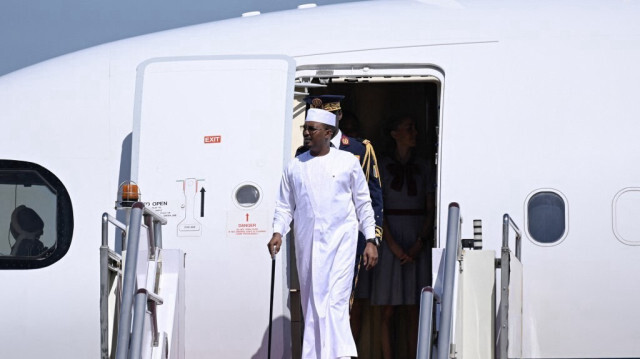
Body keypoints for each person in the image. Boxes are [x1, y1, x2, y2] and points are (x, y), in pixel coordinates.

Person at [268, 108, 378, 359]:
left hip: (342, 243)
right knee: (313, 302)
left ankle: (340, 355)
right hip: (308, 245)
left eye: (312, 129)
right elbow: (285, 206)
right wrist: (277, 232)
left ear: (329, 133)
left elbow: (363, 203)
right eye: (305, 128)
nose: (306, 133)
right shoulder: (295, 166)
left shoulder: (348, 162)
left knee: (335, 302)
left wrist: (371, 239)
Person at [297, 95, 384, 342]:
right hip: (315, 240)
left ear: (338, 118)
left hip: (349, 238)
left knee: (343, 301)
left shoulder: (358, 149)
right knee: (315, 301)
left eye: (328, 116)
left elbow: (372, 197)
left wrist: (372, 239)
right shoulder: (303, 153)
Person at [371, 115, 435, 359]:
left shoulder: (425, 166)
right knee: (388, 309)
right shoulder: (383, 166)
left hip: (417, 235)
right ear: (394, 134)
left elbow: (431, 208)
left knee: (414, 309)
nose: (414, 133)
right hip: (390, 239)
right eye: (409, 128)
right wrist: (393, 245)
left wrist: (420, 242)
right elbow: (378, 207)